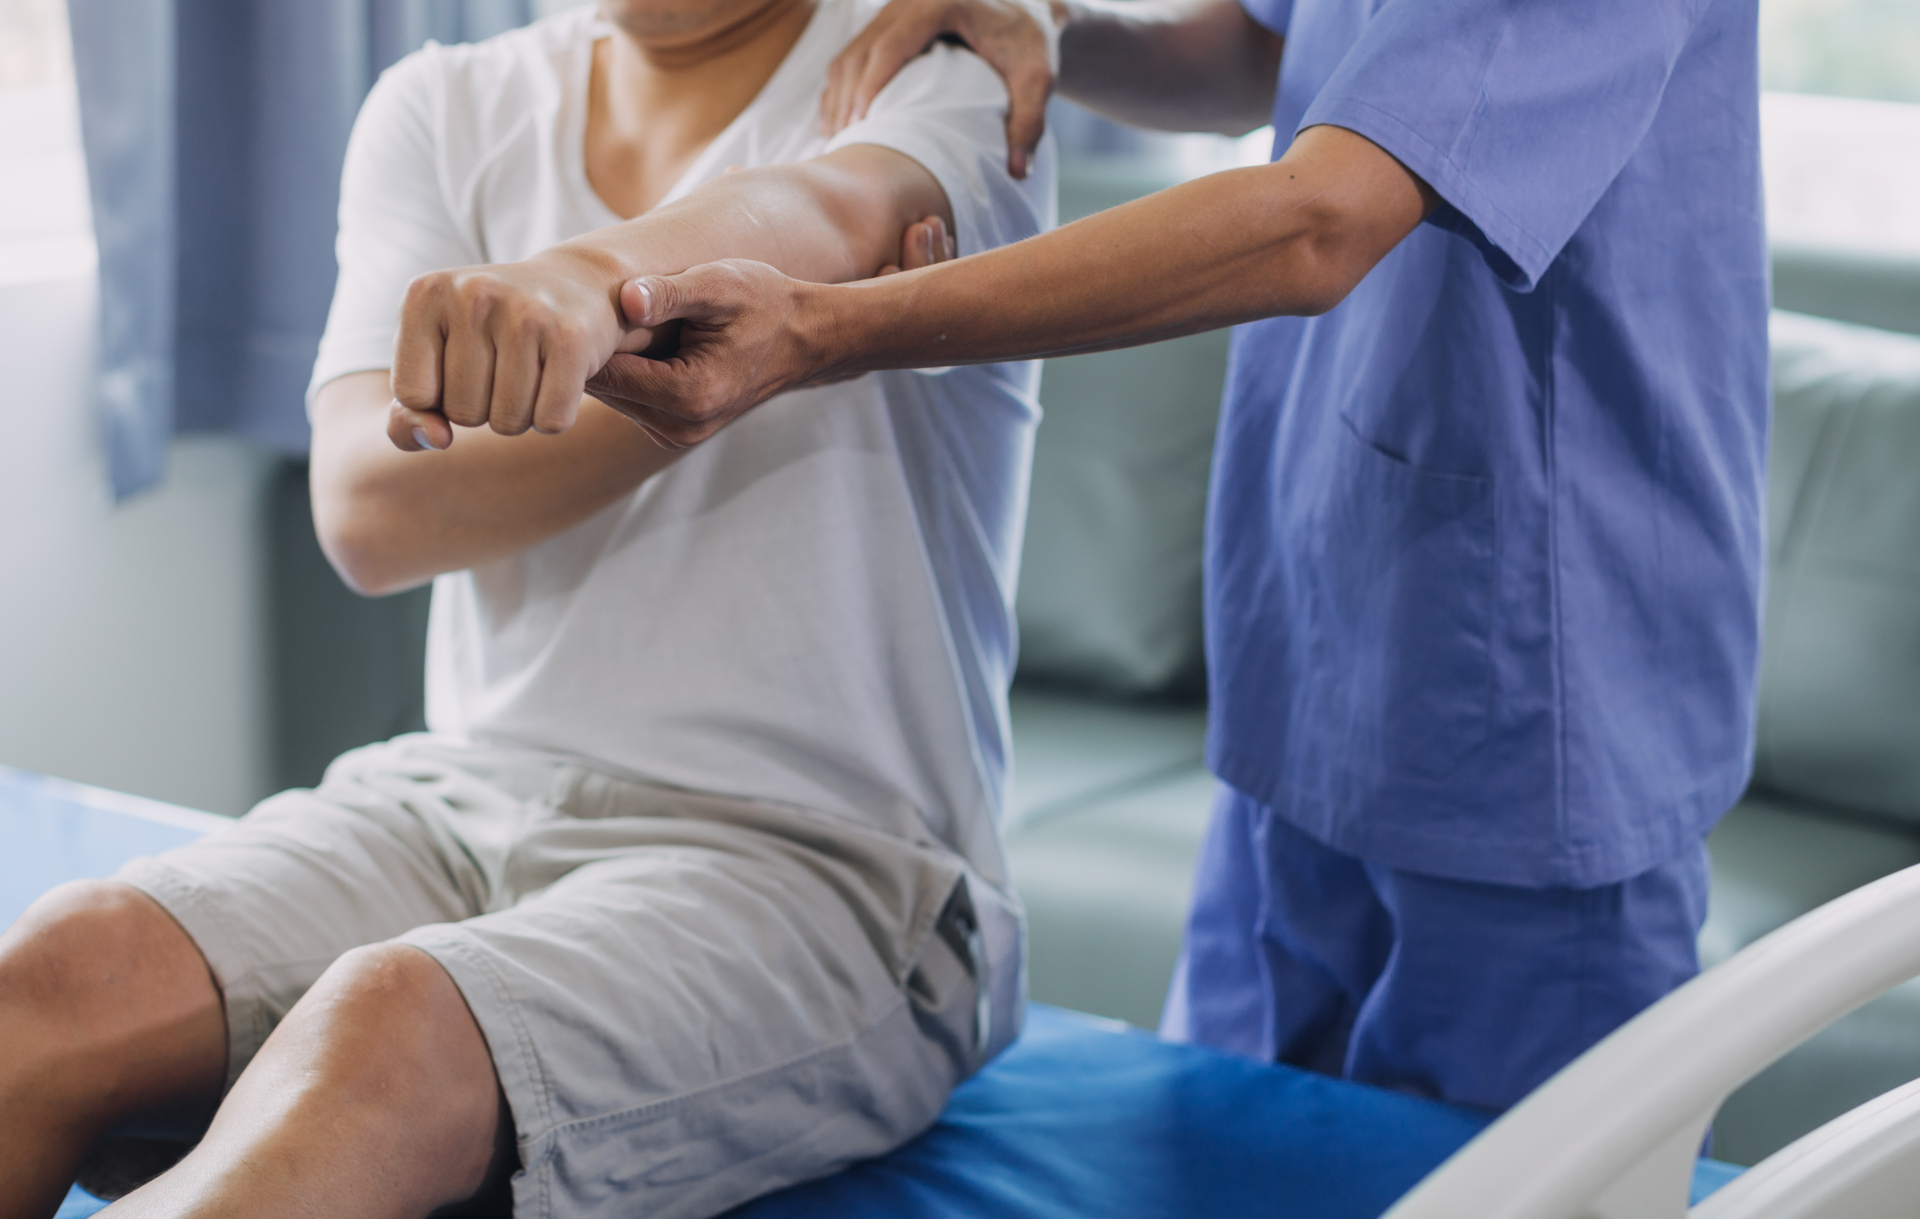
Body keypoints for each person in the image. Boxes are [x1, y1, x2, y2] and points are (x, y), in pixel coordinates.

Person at [392, 0, 1771, 1115]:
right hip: (1323, 645)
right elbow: (1276, 54)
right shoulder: (460, 98)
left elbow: (1318, 219)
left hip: (1544, 682)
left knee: (1525, 1168)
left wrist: (826, 326)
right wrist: (1057, 28)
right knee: (1232, 1154)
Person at [0, 1, 1052, 1216]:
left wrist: (592, 288)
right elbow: (367, 509)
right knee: (61, 970)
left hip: (834, 866)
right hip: (458, 802)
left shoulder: (930, 63)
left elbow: (833, 210)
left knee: (385, 1026)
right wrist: (720, 359)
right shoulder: (444, 104)